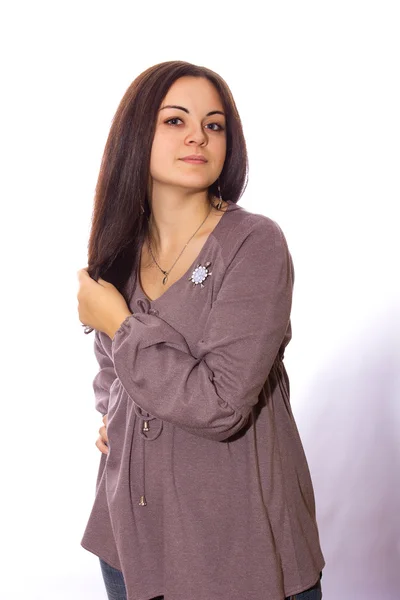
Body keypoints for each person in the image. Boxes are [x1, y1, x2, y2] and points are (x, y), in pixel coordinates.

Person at [77, 60, 325, 600]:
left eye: (214, 124)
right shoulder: (121, 248)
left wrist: (119, 323)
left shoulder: (254, 244)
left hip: (238, 547)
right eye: (175, 120)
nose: (198, 136)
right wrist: (111, 416)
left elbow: (221, 406)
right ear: (135, 133)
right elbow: (110, 372)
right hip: (131, 537)